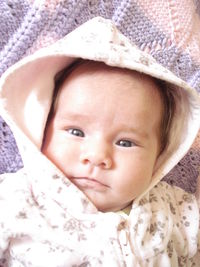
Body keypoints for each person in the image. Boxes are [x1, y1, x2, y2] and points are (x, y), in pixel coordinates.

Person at [0, 17, 199, 266]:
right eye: (76, 132)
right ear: (42, 128)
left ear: (160, 153)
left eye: (125, 143)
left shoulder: (175, 209)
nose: (96, 156)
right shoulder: (15, 199)